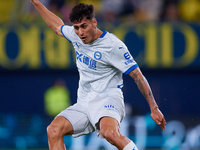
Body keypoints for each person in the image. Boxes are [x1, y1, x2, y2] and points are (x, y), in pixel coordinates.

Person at [30, 1, 166, 150]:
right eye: (76, 27)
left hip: (108, 99)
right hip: (84, 103)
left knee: (110, 133)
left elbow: (137, 75)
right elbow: (57, 26)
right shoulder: (77, 36)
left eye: (84, 26)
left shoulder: (113, 45)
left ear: (94, 22)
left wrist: (154, 107)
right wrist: (36, 3)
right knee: (53, 130)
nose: (80, 32)